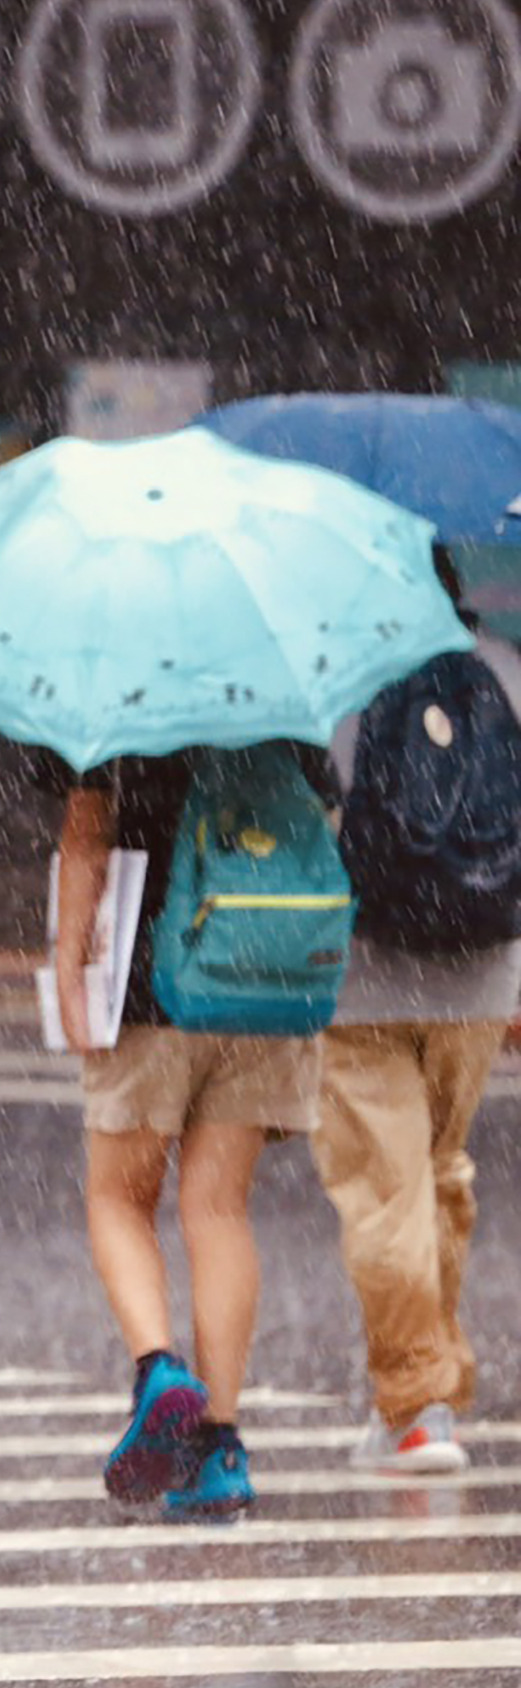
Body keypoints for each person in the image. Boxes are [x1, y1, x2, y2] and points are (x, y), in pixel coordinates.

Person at [51, 747, 330, 1519]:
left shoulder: (116, 697)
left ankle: (160, 1368)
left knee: (118, 1196)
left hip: (154, 975)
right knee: (219, 1209)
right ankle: (221, 1447)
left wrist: (69, 974)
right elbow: (322, 824)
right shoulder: (276, 684)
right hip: (266, 981)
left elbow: (85, 836)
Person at [309, 622, 521, 1478]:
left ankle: (414, 1408)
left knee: (382, 1191)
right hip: (481, 970)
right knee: (437, 1172)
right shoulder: (503, 671)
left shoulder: (330, 680)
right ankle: (434, 1379)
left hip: (360, 974)